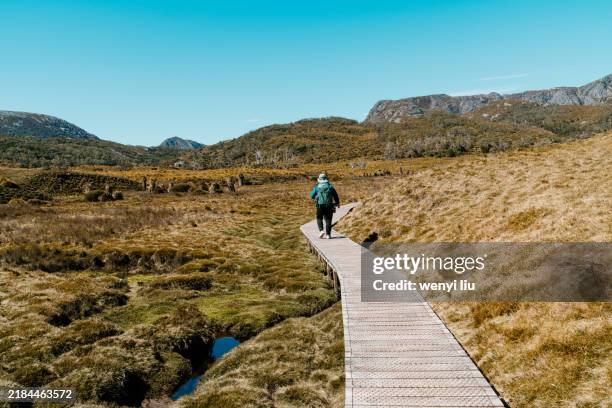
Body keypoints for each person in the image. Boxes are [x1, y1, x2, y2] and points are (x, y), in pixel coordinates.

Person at [309, 173, 340, 239]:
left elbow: (311, 196)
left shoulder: (317, 187)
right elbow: (335, 195)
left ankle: (321, 230)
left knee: (319, 218)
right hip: (329, 205)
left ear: (319, 179)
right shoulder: (330, 186)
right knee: (328, 220)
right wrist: (337, 203)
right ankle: (328, 235)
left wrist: (314, 194)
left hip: (320, 205)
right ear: (326, 179)